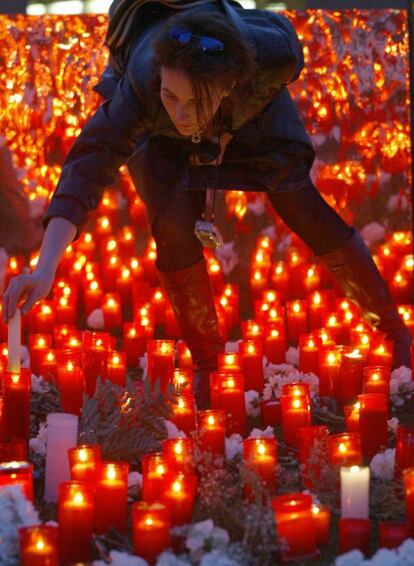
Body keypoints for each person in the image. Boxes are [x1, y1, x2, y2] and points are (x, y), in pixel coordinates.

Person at [2, 0, 411, 409]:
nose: (181, 113)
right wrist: (45, 265)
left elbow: (279, 51)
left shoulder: (273, 58)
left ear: (228, 85)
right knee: (173, 225)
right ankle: (208, 365)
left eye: (192, 103)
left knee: (300, 203)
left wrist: (225, 131)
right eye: (172, 96)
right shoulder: (143, 90)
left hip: (251, 120)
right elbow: (87, 166)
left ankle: (396, 334)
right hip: (154, 133)